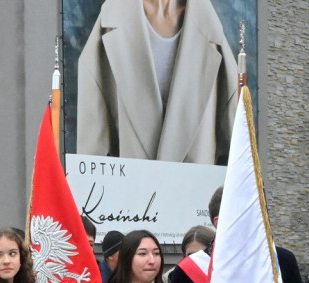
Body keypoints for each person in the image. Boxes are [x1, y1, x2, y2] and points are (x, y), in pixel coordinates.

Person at [76, 0, 237, 164]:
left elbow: (238, 161)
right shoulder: (108, 27)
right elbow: (90, 160)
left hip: (198, 188)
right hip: (128, 187)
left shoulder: (211, 32)